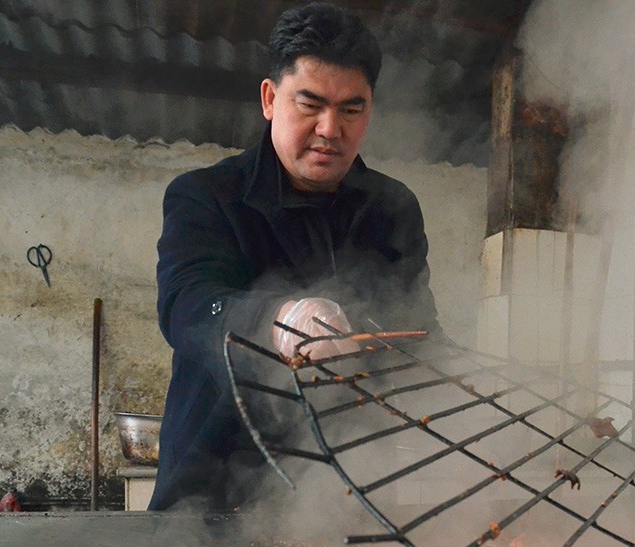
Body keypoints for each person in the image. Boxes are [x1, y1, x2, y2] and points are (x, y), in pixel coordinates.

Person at [150, 3, 440, 511]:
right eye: (310, 104)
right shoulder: (207, 196)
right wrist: (279, 320)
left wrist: (499, 403)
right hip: (215, 495)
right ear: (269, 98)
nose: (331, 129)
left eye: (352, 109)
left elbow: (419, 334)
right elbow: (187, 304)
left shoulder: (392, 208)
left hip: (347, 492)